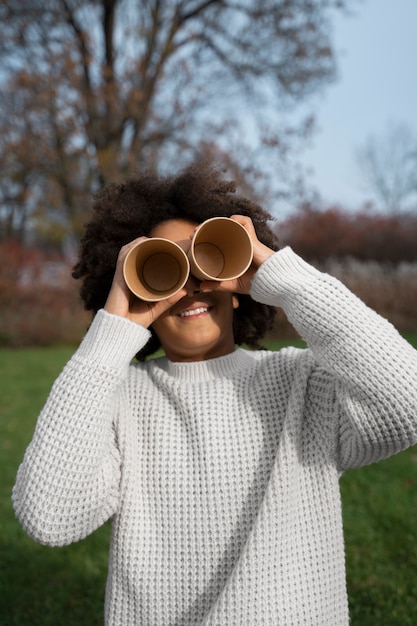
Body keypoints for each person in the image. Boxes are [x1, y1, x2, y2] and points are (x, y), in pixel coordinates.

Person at [12, 162, 417, 626]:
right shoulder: (120, 400)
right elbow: (50, 517)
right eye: (165, 268)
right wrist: (112, 333)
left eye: (207, 259)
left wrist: (281, 274)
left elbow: (408, 401)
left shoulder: (302, 381)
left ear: (241, 283)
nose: (189, 289)